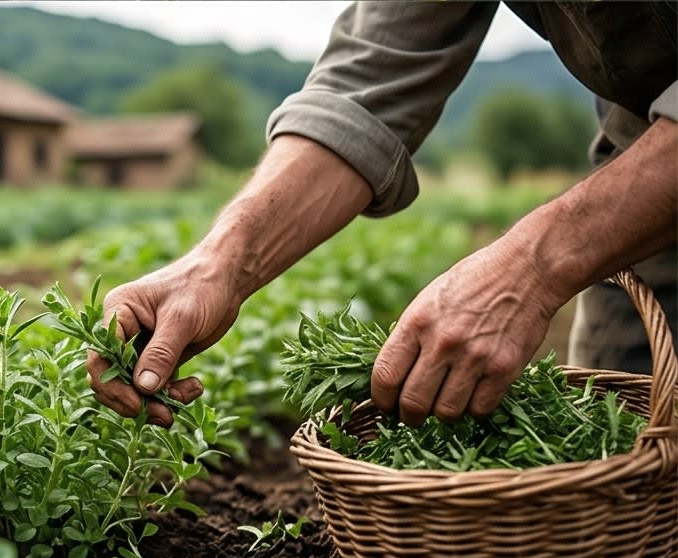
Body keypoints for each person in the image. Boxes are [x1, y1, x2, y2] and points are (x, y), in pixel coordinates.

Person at [87, 2, 678, 429]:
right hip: (645, 157)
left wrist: (531, 265)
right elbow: (367, 82)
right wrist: (215, 266)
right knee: (619, 448)